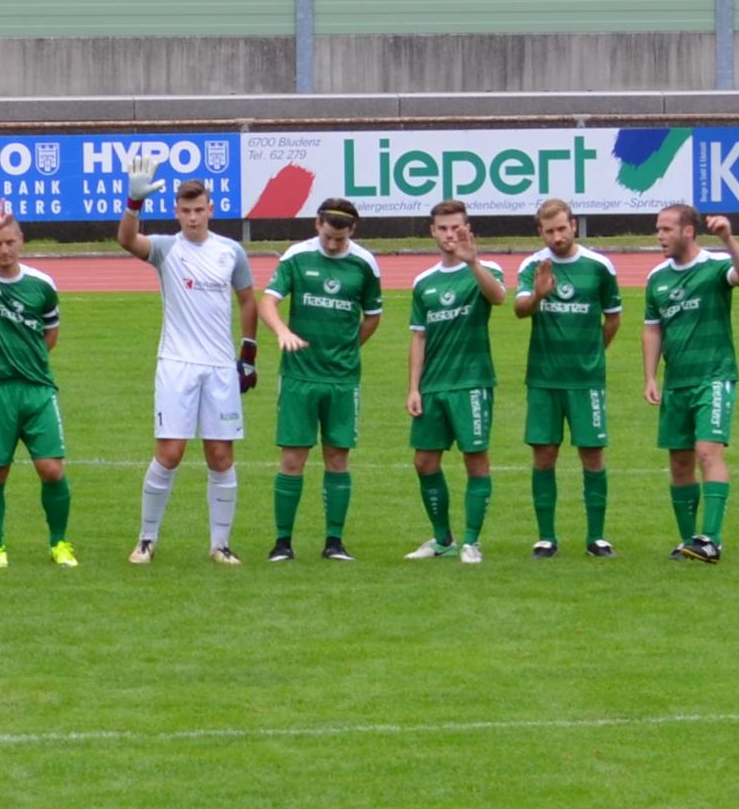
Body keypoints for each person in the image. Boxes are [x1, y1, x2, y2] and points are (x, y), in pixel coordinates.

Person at [118, 175, 256, 565]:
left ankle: (220, 545)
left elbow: (247, 300)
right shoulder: (166, 249)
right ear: (176, 212)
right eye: (185, 211)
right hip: (177, 364)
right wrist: (133, 203)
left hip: (220, 368)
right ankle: (146, 539)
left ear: (211, 209)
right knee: (170, 453)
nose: (193, 217)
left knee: (221, 456)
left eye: (199, 210)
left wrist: (248, 352)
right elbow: (126, 240)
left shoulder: (231, 251)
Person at [261, 195, 383, 561]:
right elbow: (267, 302)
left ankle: (334, 542)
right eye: (327, 236)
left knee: (337, 458)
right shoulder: (296, 256)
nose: (332, 244)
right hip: (298, 377)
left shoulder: (364, 263)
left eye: (340, 239)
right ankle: (282, 543)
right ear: (317, 225)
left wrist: (349, 347)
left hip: (343, 379)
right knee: (292, 459)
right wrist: (282, 331)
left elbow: (373, 316)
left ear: (352, 231)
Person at [0, 201, 75, 567]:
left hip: (38, 390)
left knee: (52, 469)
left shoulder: (42, 285)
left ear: (21, 240)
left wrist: (27, 360)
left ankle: (59, 543)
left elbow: (50, 334)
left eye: (10, 242)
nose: (4, 250)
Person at [511, 197, 621, 558]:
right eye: (549, 231)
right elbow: (519, 309)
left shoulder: (599, 266)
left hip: (586, 381)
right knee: (544, 455)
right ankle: (546, 537)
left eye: (562, 228)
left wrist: (592, 354)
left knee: (593, 455)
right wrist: (538, 296)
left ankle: (597, 537)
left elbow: (613, 318)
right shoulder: (533, 265)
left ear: (573, 225)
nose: (557, 237)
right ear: (540, 232)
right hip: (543, 379)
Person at [399, 200, 508, 563]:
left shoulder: (485, 268)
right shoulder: (423, 282)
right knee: (424, 462)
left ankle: (472, 542)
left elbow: (499, 298)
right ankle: (443, 539)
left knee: (476, 462)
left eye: (455, 227)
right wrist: (414, 388)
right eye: (442, 228)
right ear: (432, 231)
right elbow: (419, 337)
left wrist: (472, 262)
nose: (449, 234)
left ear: (467, 228)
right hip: (433, 385)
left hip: (472, 383)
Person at [639, 203, 739, 562]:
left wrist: (728, 238)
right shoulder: (657, 278)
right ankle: (689, 541)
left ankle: (711, 539)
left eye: (666, 229)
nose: (659, 236)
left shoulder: (715, 267)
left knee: (707, 452)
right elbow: (652, 329)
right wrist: (650, 376)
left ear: (688, 231)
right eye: (658, 229)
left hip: (713, 377)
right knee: (680, 463)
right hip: (676, 383)